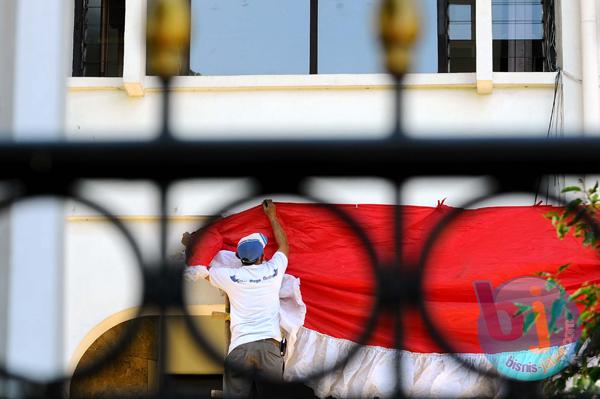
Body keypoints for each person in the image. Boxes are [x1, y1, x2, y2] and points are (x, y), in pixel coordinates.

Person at [207, 199, 289, 398]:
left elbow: (203, 269)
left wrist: (192, 245)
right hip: (269, 348)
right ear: (262, 256)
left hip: (239, 349)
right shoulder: (273, 270)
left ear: (240, 258)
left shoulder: (229, 276)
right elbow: (284, 245)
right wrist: (272, 217)